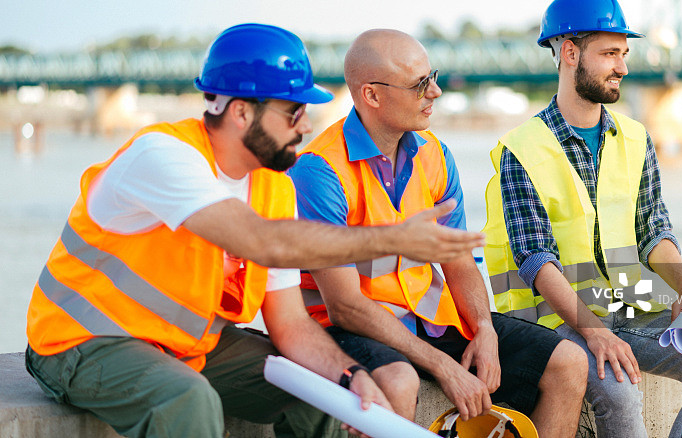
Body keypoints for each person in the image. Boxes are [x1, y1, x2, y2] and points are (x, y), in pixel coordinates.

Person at [25, 23, 486, 438]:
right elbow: (260, 241)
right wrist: (395, 239)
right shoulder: (164, 156)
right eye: (292, 112)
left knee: (324, 395)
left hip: (187, 345)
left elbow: (290, 324)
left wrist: (350, 377)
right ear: (242, 112)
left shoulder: (272, 186)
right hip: (81, 343)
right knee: (187, 401)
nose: (305, 126)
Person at [287, 29, 588, 438]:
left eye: (433, 76)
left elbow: (459, 260)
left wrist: (482, 327)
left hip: (430, 321)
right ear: (372, 95)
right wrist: (443, 366)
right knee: (399, 381)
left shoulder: (434, 154)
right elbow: (344, 306)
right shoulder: (319, 171)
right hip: (350, 328)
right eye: (419, 85)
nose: (436, 91)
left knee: (568, 362)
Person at [484, 0, 682, 437]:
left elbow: (653, 228)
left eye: (623, 53)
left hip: (626, 310)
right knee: (621, 391)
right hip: (555, 322)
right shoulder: (521, 150)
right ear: (569, 53)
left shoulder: (636, 137)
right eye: (608, 53)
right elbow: (534, 260)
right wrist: (594, 332)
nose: (622, 66)